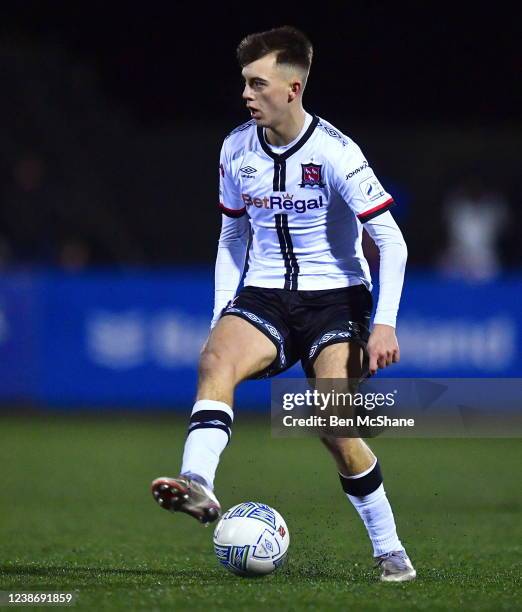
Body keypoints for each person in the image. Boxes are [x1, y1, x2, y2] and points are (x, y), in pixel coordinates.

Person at [151, 26, 414, 582]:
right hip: (266, 293)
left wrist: (384, 323)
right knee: (215, 361)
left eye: (257, 83)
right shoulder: (235, 148)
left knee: (334, 425)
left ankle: (390, 549)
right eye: (244, 83)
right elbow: (231, 237)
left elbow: (392, 241)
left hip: (336, 299)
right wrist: (223, 310)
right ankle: (197, 483)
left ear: (292, 89)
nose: (246, 94)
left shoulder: (336, 152)